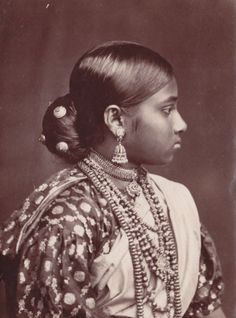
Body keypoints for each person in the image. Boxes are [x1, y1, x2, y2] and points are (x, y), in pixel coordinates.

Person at [0, 41, 226, 318]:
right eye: (167, 110)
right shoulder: (68, 215)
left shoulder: (174, 200)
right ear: (116, 120)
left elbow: (207, 309)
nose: (181, 124)